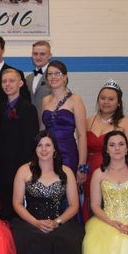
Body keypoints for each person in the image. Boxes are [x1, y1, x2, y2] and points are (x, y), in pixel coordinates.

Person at [10, 131, 97, 254]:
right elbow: (16, 203)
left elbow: (74, 205)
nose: (44, 149)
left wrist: (56, 222)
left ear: (55, 149)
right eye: (40, 145)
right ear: (35, 149)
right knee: (32, 246)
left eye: (48, 145)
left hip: (60, 221)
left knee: (66, 245)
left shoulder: (65, 171)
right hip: (30, 222)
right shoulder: (24, 171)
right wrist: (36, 222)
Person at [83, 80, 128, 222]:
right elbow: (82, 148)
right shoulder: (89, 121)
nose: (106, 102)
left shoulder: (126, 123)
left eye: (111, 99)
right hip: (90, 175)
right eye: (102, 98)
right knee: (91, 212)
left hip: (116, 176)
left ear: (119, 102)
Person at [0, 68, 39, 220]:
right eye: (4, 81)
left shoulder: (28, 109)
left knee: (18, 210)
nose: (7, 84)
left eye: (11, 81)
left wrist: (24, 169)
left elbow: (30, 142)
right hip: (1, 168)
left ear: (20, 83)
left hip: (19, 167)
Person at [40, 60, 88, 192]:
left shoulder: (75, 100)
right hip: (48, 154)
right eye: (50, 74)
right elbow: (42, 132)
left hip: (68, 153)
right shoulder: (45, 100)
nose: (53, 77)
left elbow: (82, 135)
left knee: (68, 192)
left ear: (65, 77)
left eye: (57, 73)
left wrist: (82, 166)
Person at [24, 40, 52, 111]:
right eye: (35, 54)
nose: (38, 57)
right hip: (31, 120)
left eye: (42, 54)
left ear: (49, 56)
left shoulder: (54, 77)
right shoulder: (28, 78)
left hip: (48, 121)